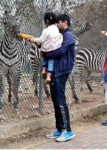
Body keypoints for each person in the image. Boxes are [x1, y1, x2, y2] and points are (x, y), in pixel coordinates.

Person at [43, 14, 75, 142]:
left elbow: (61, 51)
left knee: (61, 101)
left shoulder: (68, 35)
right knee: (56, 101)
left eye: (58, 22)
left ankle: (68, 131)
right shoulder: (62, 35)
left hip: (62, 72)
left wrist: (46, 53)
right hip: (57, 71)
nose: (56, 25)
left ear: (64, 22)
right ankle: (60, 129)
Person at [28, 12, 63, 84]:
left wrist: (33, 40)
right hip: (55, 52)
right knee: (51, 63)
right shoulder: (57, 29)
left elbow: (41, 40)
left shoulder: (46, 30)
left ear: (46, 21)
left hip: (46, 52)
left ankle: (43, 70)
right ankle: (48, 77)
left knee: (44, 60)